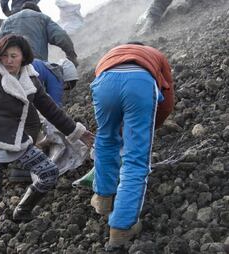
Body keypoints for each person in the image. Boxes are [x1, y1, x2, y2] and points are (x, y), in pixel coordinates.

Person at [0, 35, 93, 254]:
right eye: (4, 55)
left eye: (13, 55)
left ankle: (23, 209)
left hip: (17, 143)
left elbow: (51, 110)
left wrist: (77, 132)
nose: (8, 60)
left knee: (50, 172)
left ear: (23, 57)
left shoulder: (32, 80)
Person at [89, 42, 174, 250]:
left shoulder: (110, 53)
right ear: (143, 48)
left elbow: (107, 94)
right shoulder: (155, 55)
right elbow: (167, 100)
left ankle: (103, 198)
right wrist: (149, 127)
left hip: (104, 81)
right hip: (139, 83)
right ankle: (122, 227)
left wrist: (120, 131)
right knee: (136, 158)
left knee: (105, 140)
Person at [0, 1, 78, 66]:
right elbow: (61, 37)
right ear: (38, 11)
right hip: (35, 64)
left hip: (11, 65)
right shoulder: (42, 18)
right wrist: (72, 56)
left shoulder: (7, 21)